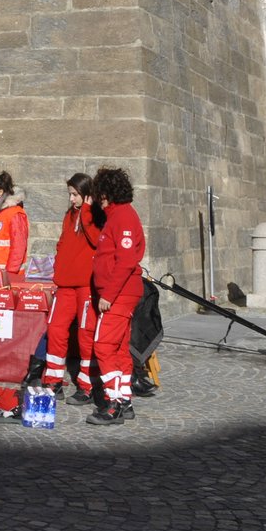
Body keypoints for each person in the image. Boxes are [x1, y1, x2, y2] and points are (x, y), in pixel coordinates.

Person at [87, 165, 146, 426]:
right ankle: (125, 398)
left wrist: (108, 295)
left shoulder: (122, 217)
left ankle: (114, 403)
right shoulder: (119, 216)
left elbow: (124, 261)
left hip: (119, 293)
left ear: (105, 194)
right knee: (120, 348)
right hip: (122, 291)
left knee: (103, 345)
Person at [42, 173, 103, 403]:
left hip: (86, 285)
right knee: (56, 329)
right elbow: (63, 242)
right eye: (70, 194)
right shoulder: (69, 215)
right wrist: (58, 263)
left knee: (86, 334)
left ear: (87, 195)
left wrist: (87, 210)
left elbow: (97, 240)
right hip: (65, 283)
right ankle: (54, 381)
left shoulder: (94, 215)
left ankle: (87, 385)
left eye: (75, 195)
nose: (71, 199)